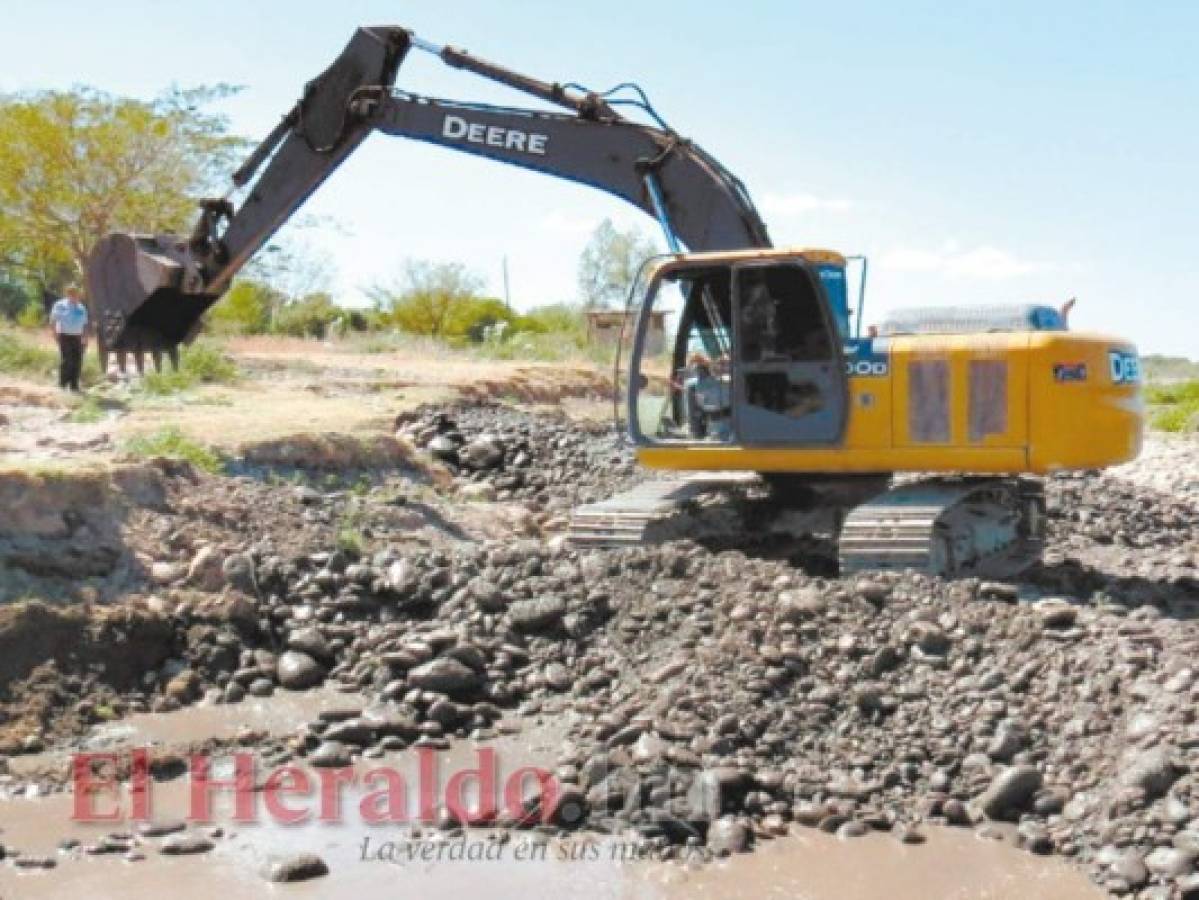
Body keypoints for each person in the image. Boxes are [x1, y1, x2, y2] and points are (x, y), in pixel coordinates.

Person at [48, 284, 89, 391]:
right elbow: (53, 320)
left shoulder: (81, 307)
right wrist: (54, 333)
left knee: (77, 361)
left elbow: (84, 324)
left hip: (78, 337)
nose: (74, 294)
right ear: (67, 293)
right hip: (64, 335)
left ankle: (74, 385)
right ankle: (62, 384)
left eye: (76, 292)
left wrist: (85, 337)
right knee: (67, 360)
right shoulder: (60, 305)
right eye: (71, 292)